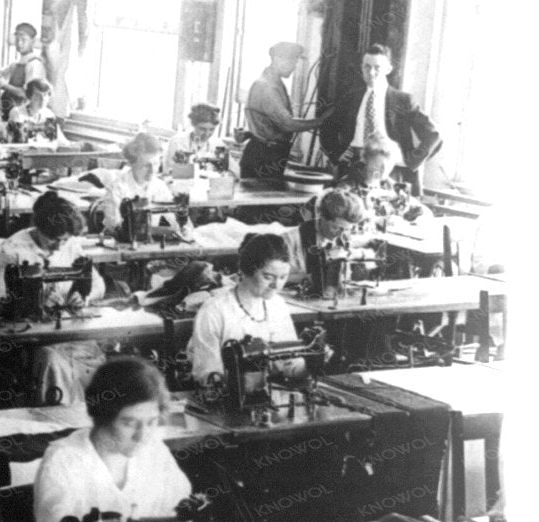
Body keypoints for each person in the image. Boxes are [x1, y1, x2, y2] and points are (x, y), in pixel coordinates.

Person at [33, 357, 194, 522]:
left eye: (151, 422)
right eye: (129, 423)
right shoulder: (64, 460)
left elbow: (185, 516)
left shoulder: (154, 451)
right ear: (103, 416)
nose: (142, 436)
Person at [0, 191, 107, 404]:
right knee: (52, 360)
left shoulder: (70, 244)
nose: (59, 247)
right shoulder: (14, 248)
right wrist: (33, 301)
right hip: (30, 339)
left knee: (100, 365)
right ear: (39, 228)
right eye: (53, 240)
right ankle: (57, 416)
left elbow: (98, 284)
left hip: (70, 334)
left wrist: (83, 297)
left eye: (65, 240)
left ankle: (94, 416)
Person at [320, 43, 441, 194]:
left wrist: (411, 161)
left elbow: (433, 135)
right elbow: (327, 127)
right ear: (361, 67)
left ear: (388, 69)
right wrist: (337, 154)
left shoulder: (403, 101)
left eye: (377, 67)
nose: (371, 73)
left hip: (389, 170)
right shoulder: (351, 97)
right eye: (367, 67)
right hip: (354, 167)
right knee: (351, 206)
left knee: (382, 205)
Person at [187, 232, 304, 385]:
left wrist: (308, 366)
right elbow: (208, 374)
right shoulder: (214, 311)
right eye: (268, 277)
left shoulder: (278, 305)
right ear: (247, 270)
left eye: (283, 277)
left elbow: (289, 362)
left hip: (272, 393)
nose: (276, 285)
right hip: (228, 395)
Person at [243, 41, 324, 181]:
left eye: (295, 61)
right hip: (264, 156)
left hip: (270, 153)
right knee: (262, 194)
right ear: (277, 58)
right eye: (291, 61)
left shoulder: (274, 83)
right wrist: (321, 122)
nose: (294, 67)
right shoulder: (267, 87)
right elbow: (287, 124)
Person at [285, 187, 371, 296]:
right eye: (335, 227)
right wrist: (306, 278)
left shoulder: (344, 239)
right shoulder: (289, 240)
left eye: (347, 229)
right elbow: (272, 276)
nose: (340, 234)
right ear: (321, 217)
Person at [101, 133, 175, 233]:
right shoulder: (117, 187)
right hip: (120, 240)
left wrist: (182, 227)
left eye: (156, 164)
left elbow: (172, 219)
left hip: (150, 240)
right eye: (146, 166)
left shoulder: (160, 186)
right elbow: (116, 226)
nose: (152, 171)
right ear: (132, 164)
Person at [165, 103, 223, 178]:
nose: (207, 134)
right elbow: (171, 171)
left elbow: (224, 172)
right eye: (202, 129)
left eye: (212, 129)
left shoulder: (218, 144)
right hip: (181, 182)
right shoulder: (178, 141)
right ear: (193, 124)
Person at [0, 22, 46, 103]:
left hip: (22, 109)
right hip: (8, 106)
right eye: (17, 39)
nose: (19, 43)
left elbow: (29, 94)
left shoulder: (34, 64)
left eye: (23, 40)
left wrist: (5, 86)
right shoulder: (16, 64)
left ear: (33, 41)